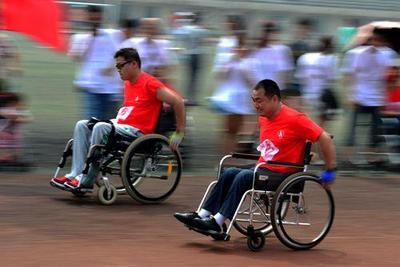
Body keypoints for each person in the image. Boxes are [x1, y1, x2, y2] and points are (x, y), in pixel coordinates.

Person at [174, 79, 336, 235]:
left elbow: (325, 138)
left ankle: (217, 221)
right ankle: (202, 215)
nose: (256, 105)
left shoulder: (295, 119)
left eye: (260, 101)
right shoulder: (263, 119)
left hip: (283, 175)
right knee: (229, 172)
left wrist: (330, 170)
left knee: (245, 176)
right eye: (253, 100)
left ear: (274, 99)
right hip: (264, 170)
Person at [50, 48, 185, 191]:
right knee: (82, 125)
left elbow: (178, 102)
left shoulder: (150, 83)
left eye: (121, 66)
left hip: (138, 132)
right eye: (117, 66)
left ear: (133, 64)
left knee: (100, 127)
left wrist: (179, 132)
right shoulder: (127, 84)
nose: (118, 70)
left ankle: (86, 180)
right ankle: (75, 173)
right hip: (122, 126)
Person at [68, 5, 121, 120]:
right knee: (93, 120)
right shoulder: (79, 37)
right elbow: (75, 57)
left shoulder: (112, 35)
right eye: (91, 18)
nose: (94, 21)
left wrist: (112, 67)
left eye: (97, 18)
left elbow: (121, 53)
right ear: (86, 18)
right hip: (91, 85)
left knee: (111, 121)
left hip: (111, 87)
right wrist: (89, 40)